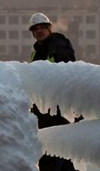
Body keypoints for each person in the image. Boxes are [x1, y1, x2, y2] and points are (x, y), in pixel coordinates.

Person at [27, 12, 77, 171]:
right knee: (63, 158)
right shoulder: (36, 52)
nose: (39, 31)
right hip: (45, 113)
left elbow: (65, 69)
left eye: (42, 27)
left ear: (49, 28)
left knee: (51, 158)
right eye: (36, 29)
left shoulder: (58, 44)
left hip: (57, 113)